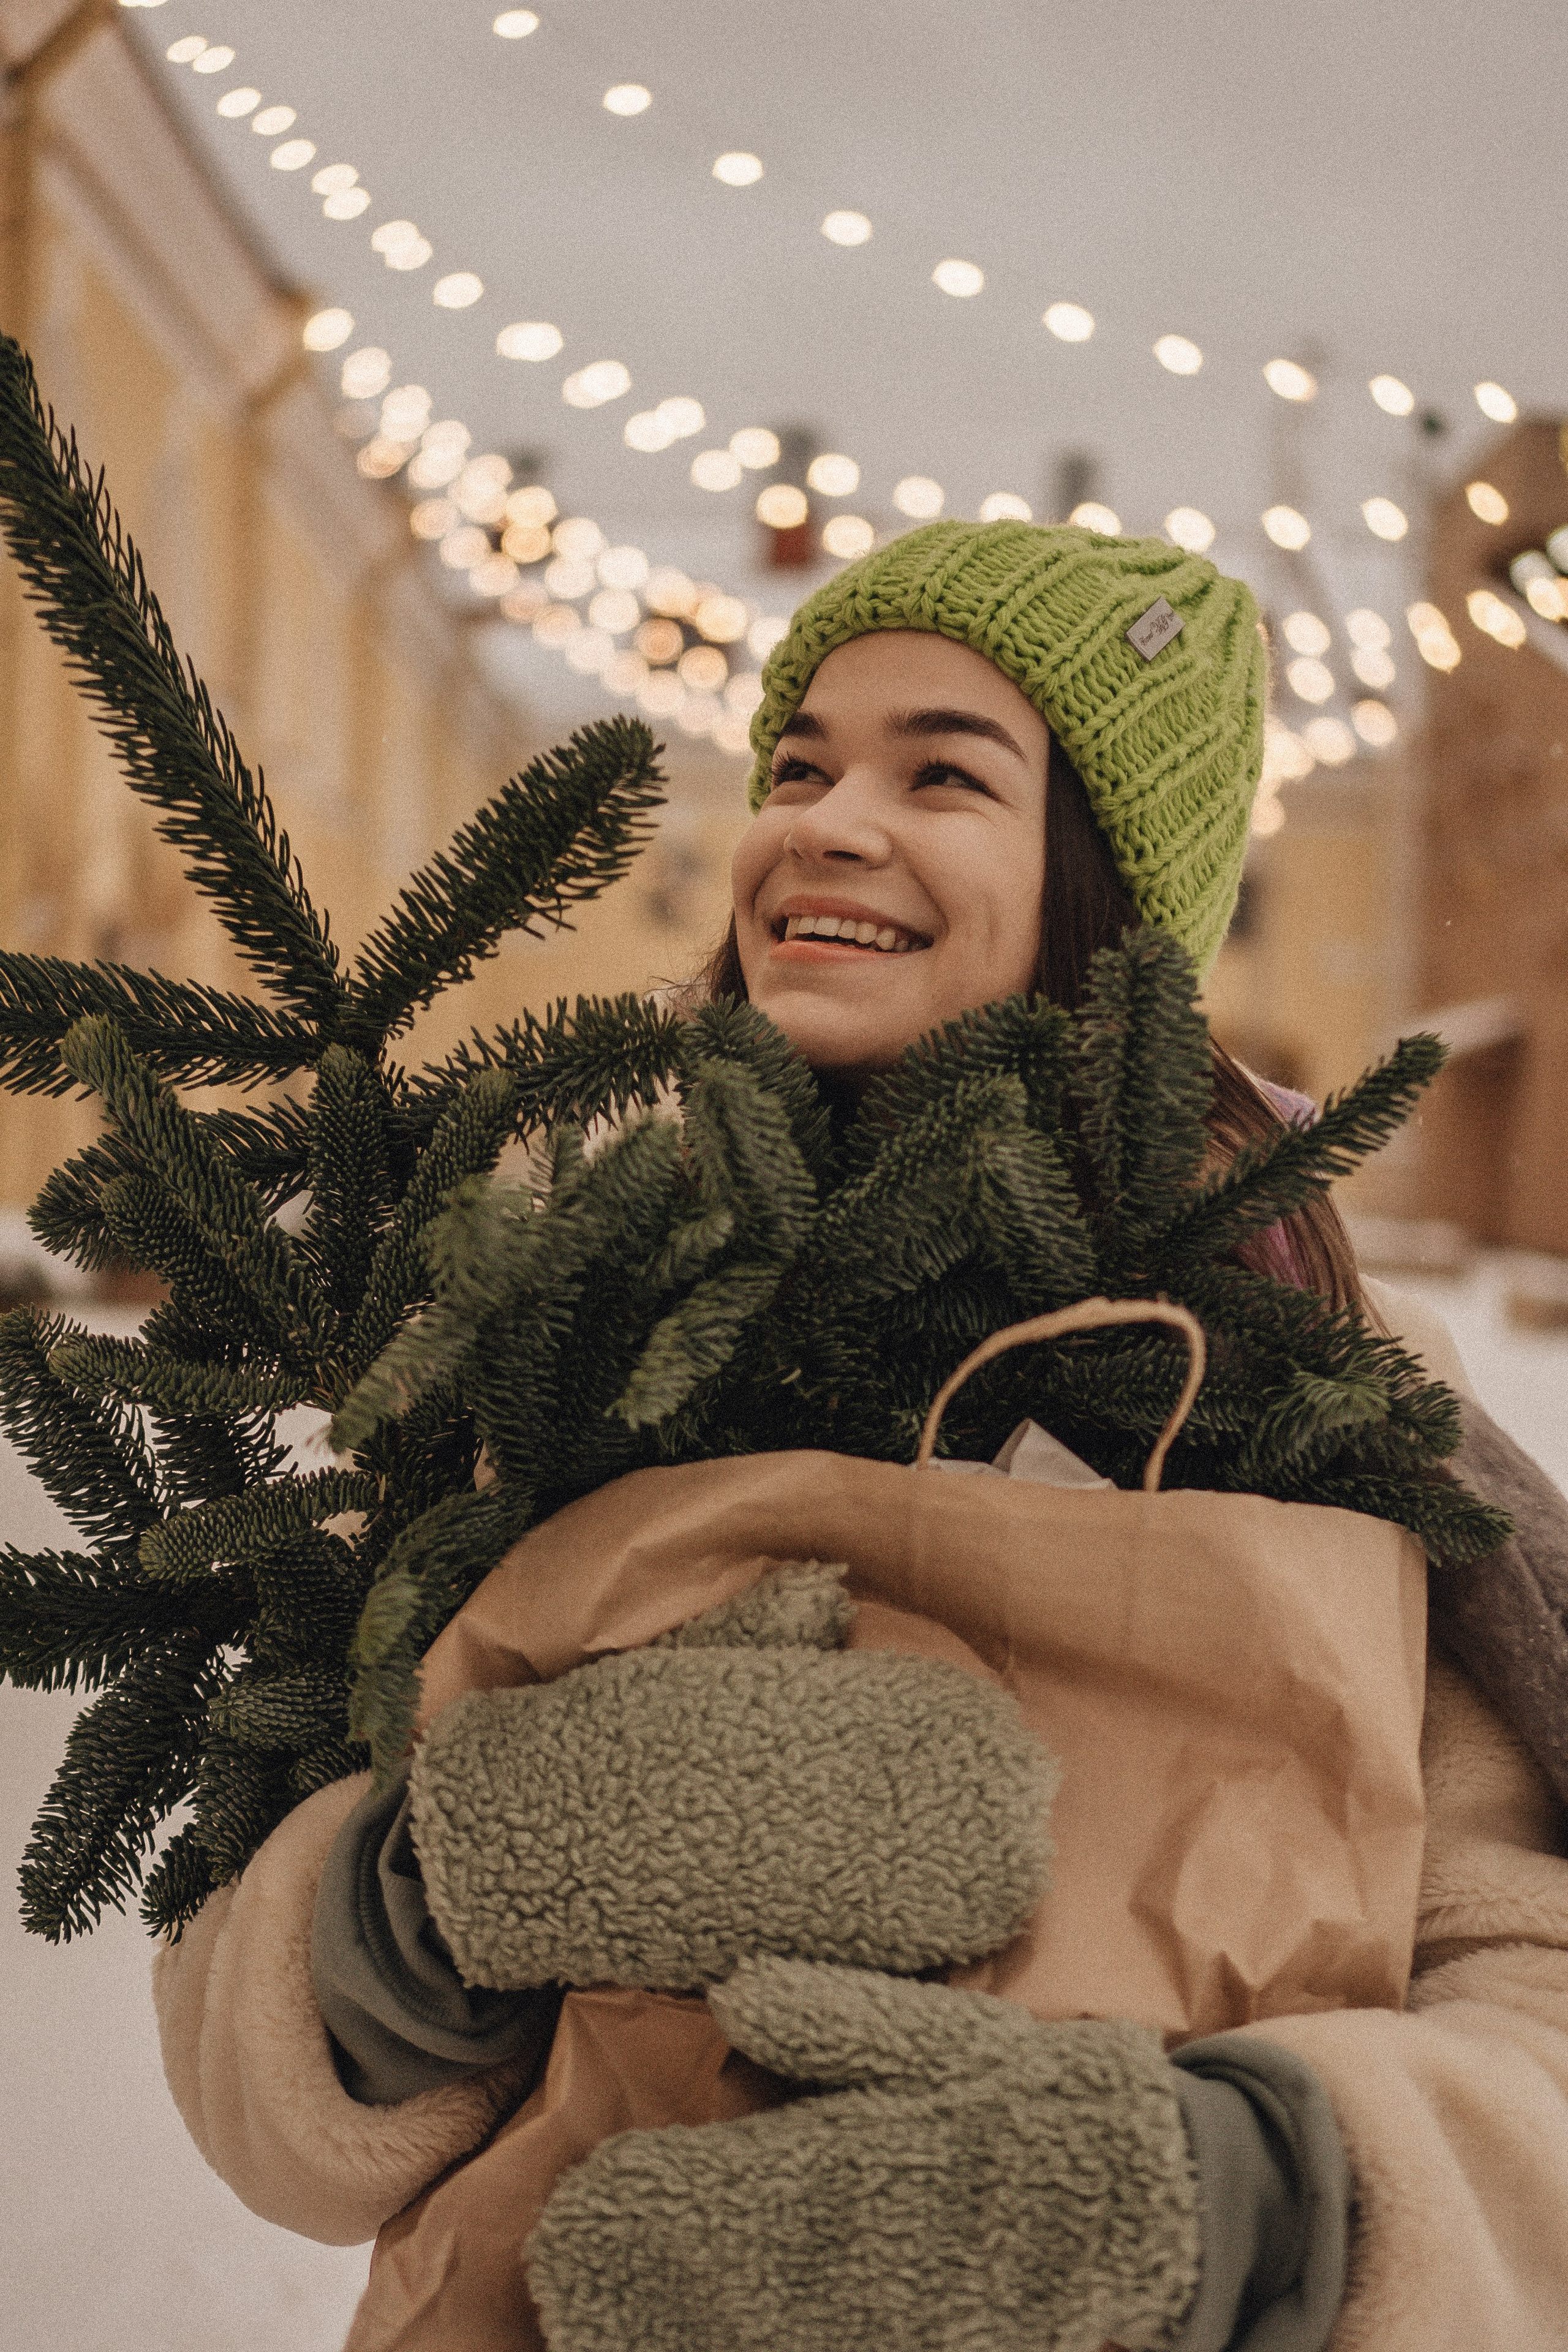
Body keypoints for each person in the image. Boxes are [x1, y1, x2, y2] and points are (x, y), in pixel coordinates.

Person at [154, 521, 1568, 2352]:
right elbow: (259, 2099)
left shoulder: (1323, 1386)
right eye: (800, 767)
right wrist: (431, 1894)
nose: (823, 824)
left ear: (1107, 886)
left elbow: (1531, 2006)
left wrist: (1234, 2198)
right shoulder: (573, 1322)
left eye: (943, 775)